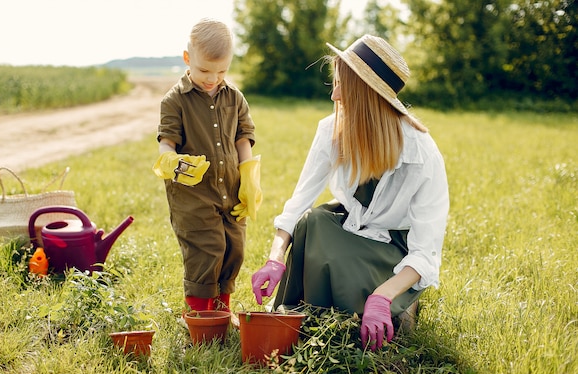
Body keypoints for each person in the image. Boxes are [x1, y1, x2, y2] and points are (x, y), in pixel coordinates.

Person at [251, 35, 449, 351]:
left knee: (340, 260)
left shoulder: (422, 155)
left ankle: (381, 314)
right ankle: (308, 324)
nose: (335, 95)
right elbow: (298, 202)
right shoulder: (331, 130)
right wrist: (275, 259)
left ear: (365, 95)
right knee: (312, 222)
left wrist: (382, 296)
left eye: (342, 85)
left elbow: (426, 253)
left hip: (391, 250)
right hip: (350, 227)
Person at [153, 18, 261, 314]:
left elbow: (243, 139)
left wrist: (249, 178)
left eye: (222, 71)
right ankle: (201, 315)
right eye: (204, 70)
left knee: (233, 249)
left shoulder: (235, 98)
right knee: (207, 250)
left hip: (231, 190)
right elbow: (167, 142)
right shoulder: (174, 101)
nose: (213, 78)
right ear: (188, 59)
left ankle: (221, 310)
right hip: (194, 196)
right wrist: (171, 161)